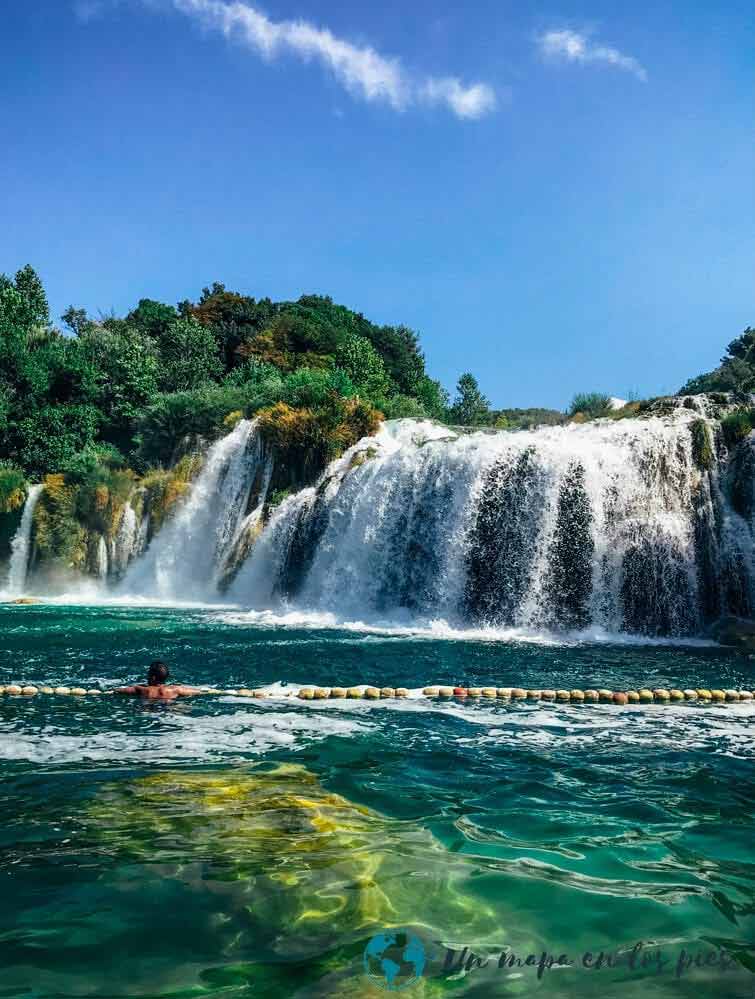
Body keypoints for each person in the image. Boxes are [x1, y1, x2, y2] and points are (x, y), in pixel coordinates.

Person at [116, 661, 200, 700]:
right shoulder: (175, 689)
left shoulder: (143, 689)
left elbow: (119, 690)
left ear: (153, 678)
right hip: (169, 708)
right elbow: (198, 692)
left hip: (150, 709)